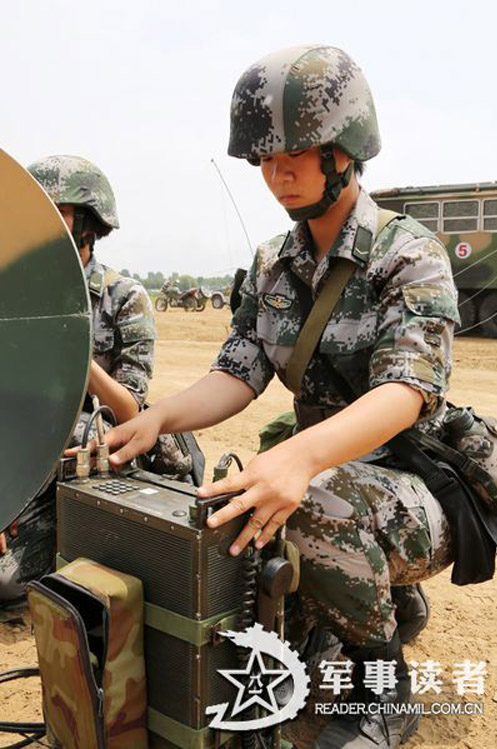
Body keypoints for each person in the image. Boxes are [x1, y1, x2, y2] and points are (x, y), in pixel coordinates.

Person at [88, 46, 460, 747]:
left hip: (420, 482)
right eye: (265, 156)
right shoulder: (272, 265)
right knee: (206, 475)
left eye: (299, 151)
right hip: (338, 477)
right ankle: (364, 598)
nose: (277, 171)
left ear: (346, 151)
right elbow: (239, 370)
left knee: (304, 498)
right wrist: (158, 417)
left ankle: (386, 687)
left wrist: (300, 458)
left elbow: (408, 391)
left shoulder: (409, 253)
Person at [0, 155, 156, 602]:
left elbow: (130, 411)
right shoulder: (14, 295)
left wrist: (72, 351)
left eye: (60, 211)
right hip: (26, 458)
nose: (46, 221)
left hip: (90, 461)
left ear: (89, 222)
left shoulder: (124, 297)